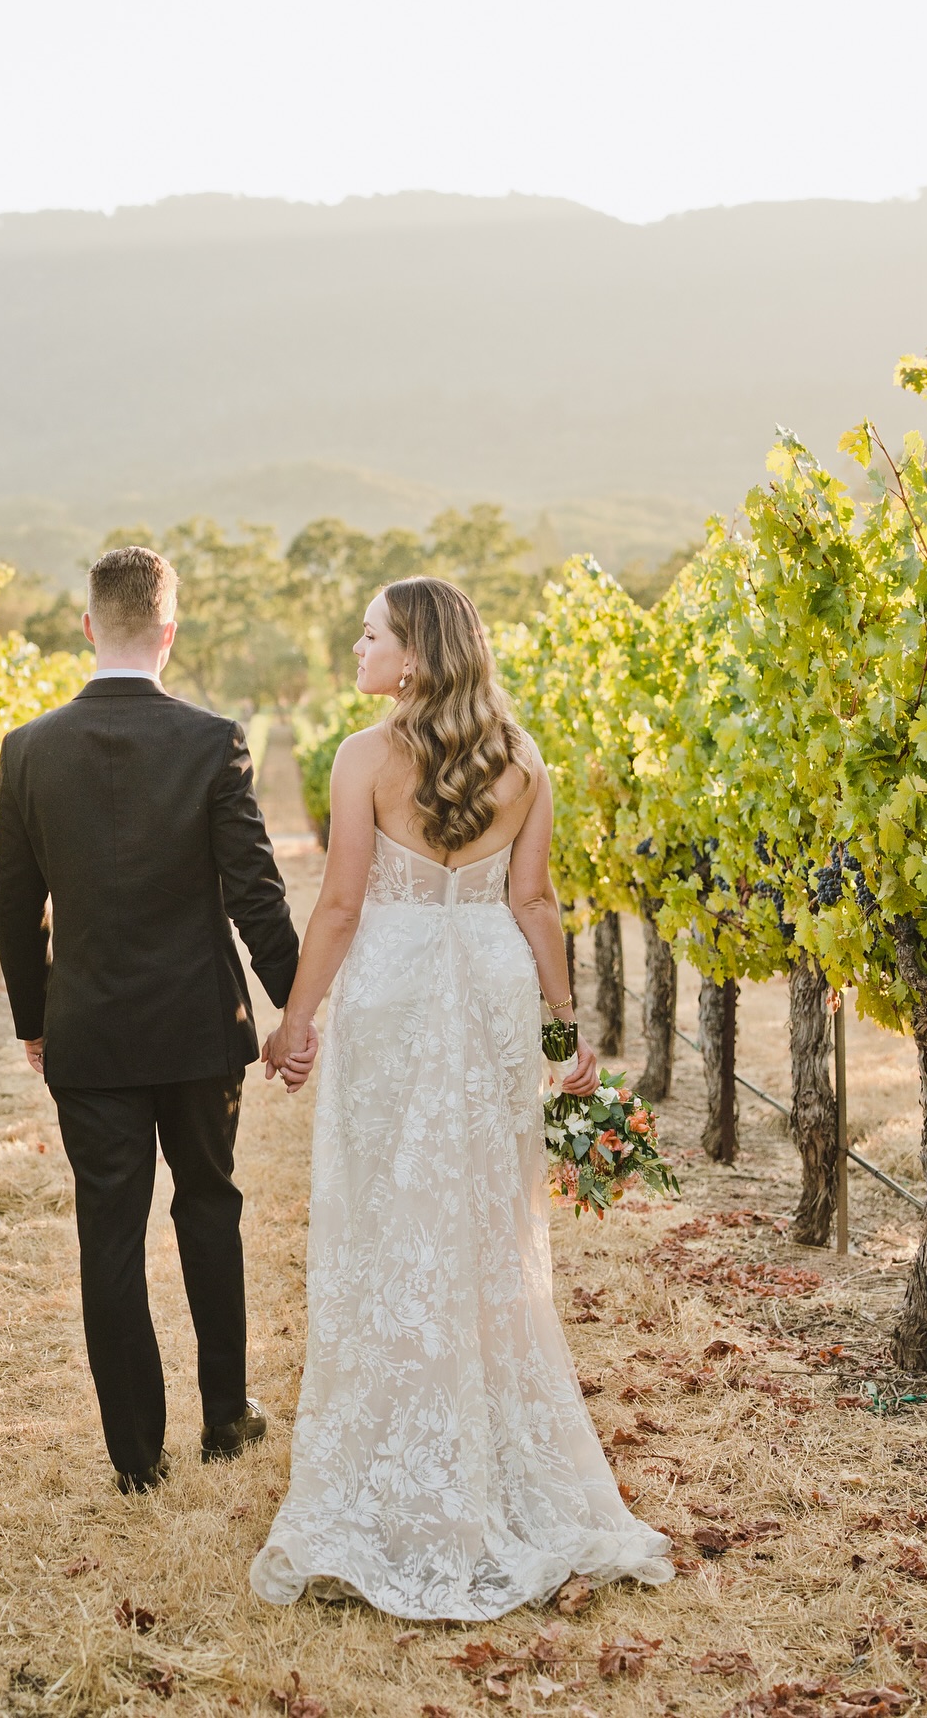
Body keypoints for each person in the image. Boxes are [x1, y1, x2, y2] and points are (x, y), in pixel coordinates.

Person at [251, 576, 673, 1619]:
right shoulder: (522, 759)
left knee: (389, 1215)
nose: (357, 647)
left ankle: (397, 1461)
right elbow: (533, 900)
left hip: (394, 986)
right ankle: (485, 1454)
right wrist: (564, 1027)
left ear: (420, 654)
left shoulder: (362, 756)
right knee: (490, 1219)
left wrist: (295, 1021)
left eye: (373, 634)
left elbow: (342, 905)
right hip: (490, 985)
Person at [0, 546, 316, 1494]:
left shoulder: (27, 750)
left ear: (89, 627)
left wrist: (32, 1019)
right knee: (210, 1206)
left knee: (109, 1234)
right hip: (198, 1028)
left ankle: (137, 1456)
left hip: (88, 1032)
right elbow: (256, 897)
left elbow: (13, 908)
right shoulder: (214, 741)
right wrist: (293, 1010)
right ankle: (226, 1415)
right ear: (169, 631)